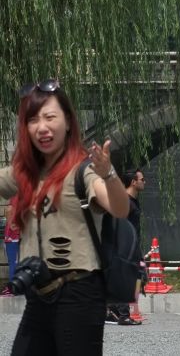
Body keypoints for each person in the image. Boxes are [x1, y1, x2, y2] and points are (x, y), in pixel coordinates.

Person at [0, 80, 131, 354]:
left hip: (79, 294)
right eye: (33, 119)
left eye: (50, 117)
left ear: (69, 122)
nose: (42, 127)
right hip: (38, 294)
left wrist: (108, 173)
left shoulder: (83, 170)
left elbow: (120, 208)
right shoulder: (25, 172)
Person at [105, 169, 146, 325]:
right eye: (142, 179)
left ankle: (113, 310)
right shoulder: (125, 201)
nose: (145, 181)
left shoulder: (134, 201)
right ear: (133, 182)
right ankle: (123, 315)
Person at [2, 201, 20, 297]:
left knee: (14, 262)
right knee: (15, 262)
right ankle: (13, 288)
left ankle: (13, 288)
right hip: (13, 238)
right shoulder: (18, 194)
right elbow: (8, 210)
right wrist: (13, 226)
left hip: (13, 238)